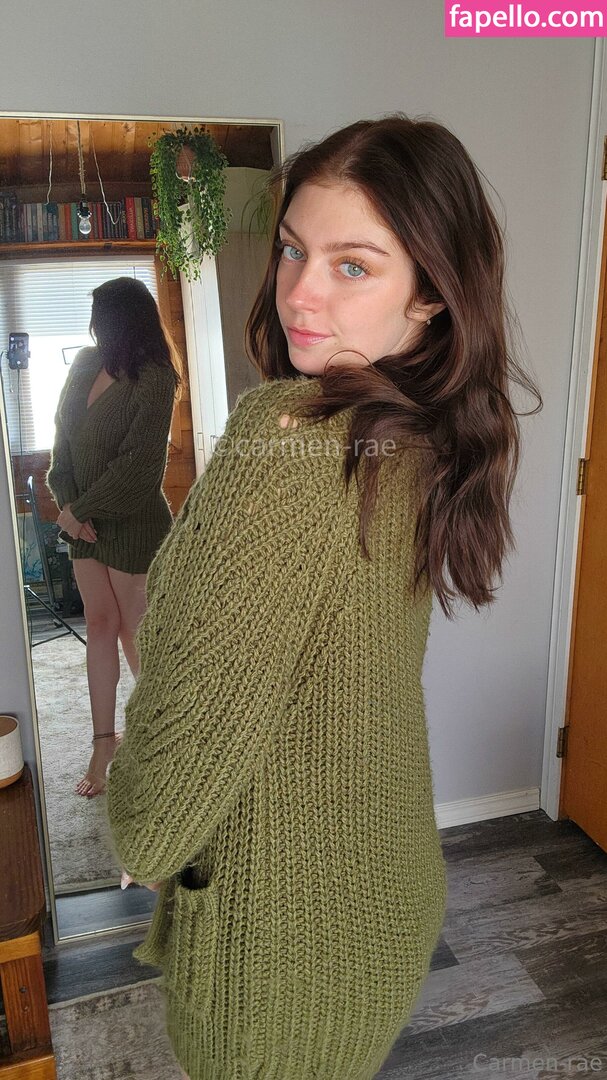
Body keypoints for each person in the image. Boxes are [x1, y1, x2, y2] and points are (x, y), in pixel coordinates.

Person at [105, 115, 542, 1080]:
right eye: (295, 249)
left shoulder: (291, 443)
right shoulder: (419, 432)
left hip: (279, 948)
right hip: (378, 896)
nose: (299, 291)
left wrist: (138, 825)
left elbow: (180, 756)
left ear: (431, 294)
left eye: (353, 265)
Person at [46, 276, 181, 798]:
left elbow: (141, 467)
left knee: (135, 633)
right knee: (100, 626)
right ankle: (104, 744)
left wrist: (78, 511)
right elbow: (62, 441)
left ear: (123, 320)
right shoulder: (84, 363)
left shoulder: (156, 377)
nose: (93, 328)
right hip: (82, 523)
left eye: (101, 317)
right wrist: (69, 509)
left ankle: (160, 742)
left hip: (134, 524)